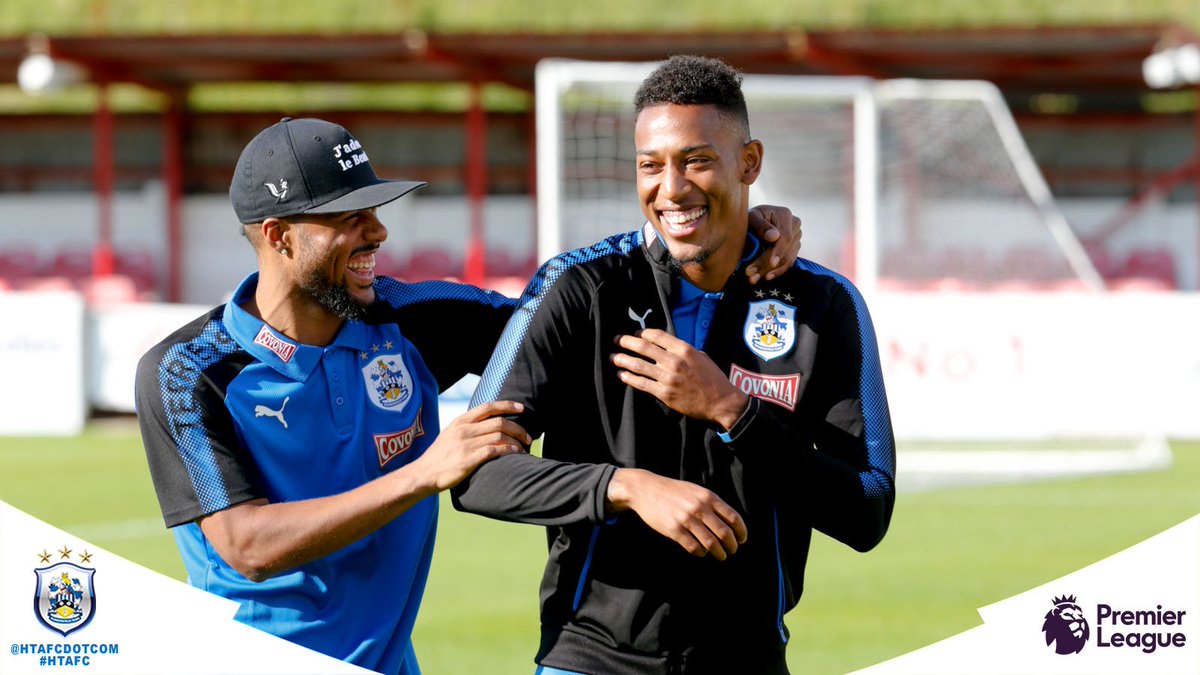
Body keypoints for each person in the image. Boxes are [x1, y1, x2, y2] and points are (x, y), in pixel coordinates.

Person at [134, 115, 806, 675]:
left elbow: (575, 323)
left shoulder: (414, 318)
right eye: (350, 217)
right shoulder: (187, 373)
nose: (378, 232)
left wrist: (733, 228)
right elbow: (247, 546)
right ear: (279, 235)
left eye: (376, 211)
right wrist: (425, 472)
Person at [453, 55, 896, 675]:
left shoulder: (824, 304)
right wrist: (625, 488)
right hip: (589, 659)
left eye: (696, 160)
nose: (672, 188)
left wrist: (733, 412)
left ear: (749, 163)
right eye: (650, 165)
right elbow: (474, 474)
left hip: (747, 662)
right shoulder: (579, 288)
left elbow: (867, 510)